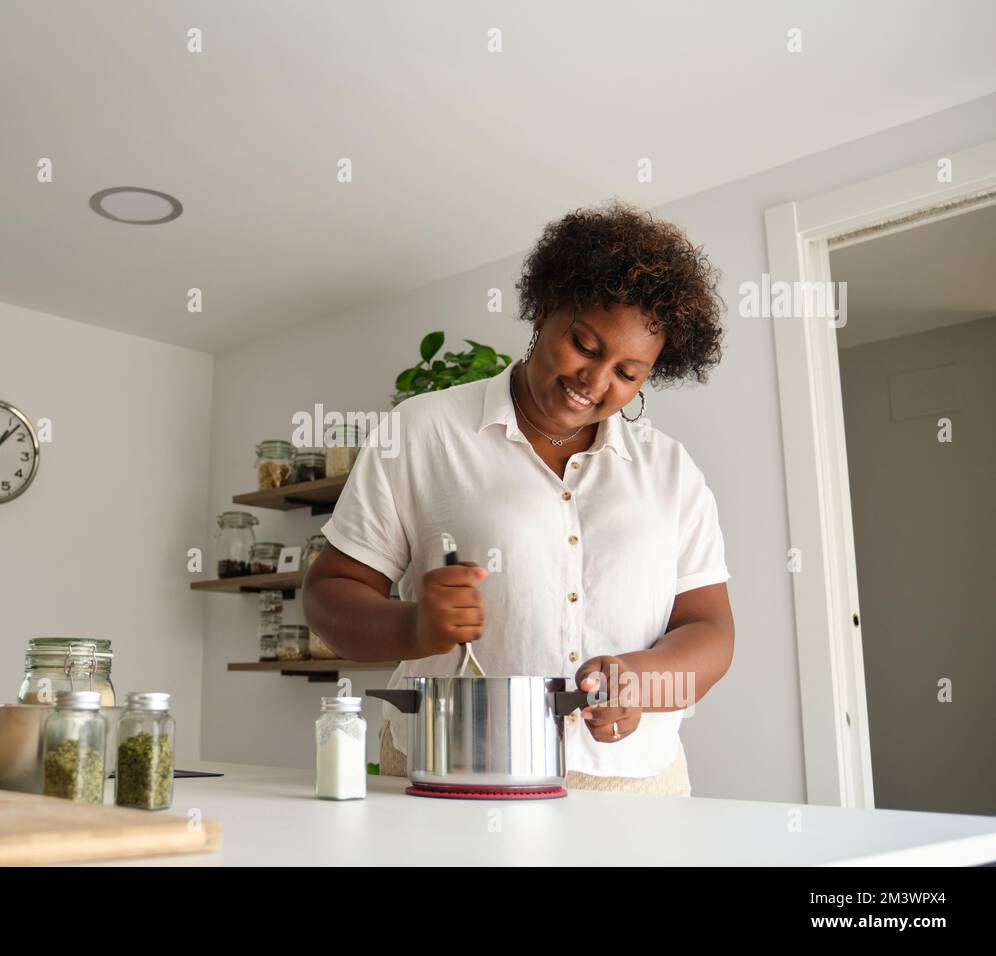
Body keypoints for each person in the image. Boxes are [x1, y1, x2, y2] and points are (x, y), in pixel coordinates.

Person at [302, 200, 734, 796]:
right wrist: (415, 627)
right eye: (584, 344)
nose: (596, 380)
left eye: (628, 373)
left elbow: (711, 631)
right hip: (451, 768)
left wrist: (643, 680)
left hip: (635, 784)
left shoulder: (670, 471)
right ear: (545, 309)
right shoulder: (425, 431)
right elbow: (328, 596)